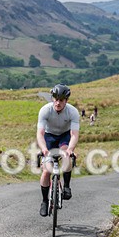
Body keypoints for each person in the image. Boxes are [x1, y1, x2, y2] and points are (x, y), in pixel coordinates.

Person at [36, 84, 80, 217]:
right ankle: (44, 201)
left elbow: (74, 134)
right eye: (55, 99)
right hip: (49, 137)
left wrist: (71, 149)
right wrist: (44, 149)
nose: (58, 102)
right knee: (46, 171)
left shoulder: (72, 112)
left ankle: (66, 186)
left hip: (64, 136)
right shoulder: (45, 110)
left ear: (66, 101)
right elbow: (40, 133)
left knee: (66, 155)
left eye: (61, 100)